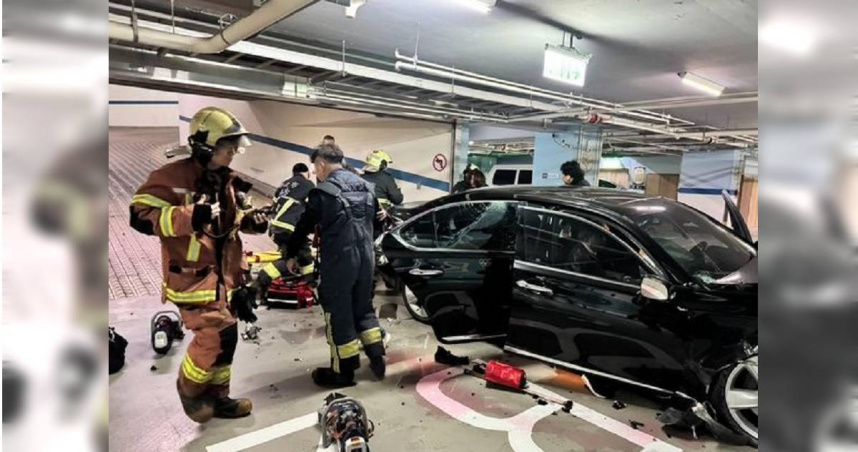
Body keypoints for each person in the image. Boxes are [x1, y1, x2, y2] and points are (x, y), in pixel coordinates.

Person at [129, 107, 268, 423]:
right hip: (193, 280)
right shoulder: (170, 178)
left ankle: (219, 398)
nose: (234, 151)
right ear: (205, 145)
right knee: (212, 339)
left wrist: (253, 221)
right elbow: (140, 216)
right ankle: (190, 391)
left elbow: (236, 217)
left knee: (228, 339)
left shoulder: (229, 181)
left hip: (227, 279)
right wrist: (189, 215)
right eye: (227, 145)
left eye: (235, 145)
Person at [285, 144, 386, 388]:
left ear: (320, 164)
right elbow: (379, 223)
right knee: (363, 308)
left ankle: (343, 372)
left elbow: (304, 226)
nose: (316, 173)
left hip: (341, 260)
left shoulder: (325, 192)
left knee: (338, 313)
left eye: (315, 168)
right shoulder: (367, 188)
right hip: (367, 258)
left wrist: (292, 254)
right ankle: (377, 358)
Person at [255, 163, 316, 297]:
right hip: (290, 227)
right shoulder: (308, 184)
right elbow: (314, 205)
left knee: (290, 256)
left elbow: (273, 204)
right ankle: (309, 285)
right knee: (305, 256)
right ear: (307, 173)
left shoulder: (284, 185)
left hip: (276, 227)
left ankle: (264, 283)